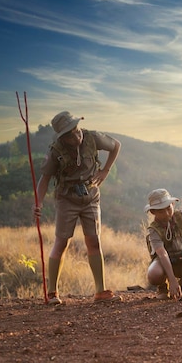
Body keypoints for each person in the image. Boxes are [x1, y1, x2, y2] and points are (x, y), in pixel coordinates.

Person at [33, 111, 122, 305]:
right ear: (62, 137)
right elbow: (45, 179)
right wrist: (38, 203)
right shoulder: (55, 151)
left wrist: (105, 170)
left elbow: (116, 146)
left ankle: (100, 291)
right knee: (61, 243)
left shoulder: (92, 138)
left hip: (91, 196)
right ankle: (52, 293)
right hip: (67, 198)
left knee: (94, 242)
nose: (76, 136)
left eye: (76, 130)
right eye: (69, 134)